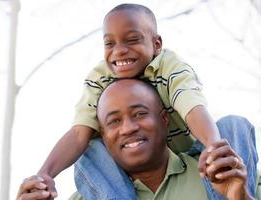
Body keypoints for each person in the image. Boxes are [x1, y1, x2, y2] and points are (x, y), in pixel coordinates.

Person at [26, 3, 257, 199]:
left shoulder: (170, 66)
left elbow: (192, 106)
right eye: (110, 43)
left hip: (197, 153)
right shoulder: (99, 78)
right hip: (116, 182)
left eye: (132, 39)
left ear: (156, 44)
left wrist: (214, 147)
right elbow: (78, 134)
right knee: (89, 151)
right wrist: (44, 175)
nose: (120, 51)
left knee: (233, 125)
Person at [17, 79, 257, 200]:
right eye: (113, 121)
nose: (128, 128)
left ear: (164, 119)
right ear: (102, 134)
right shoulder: (89, 194)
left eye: (140, 114)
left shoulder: (232, 175)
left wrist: (239, 197)